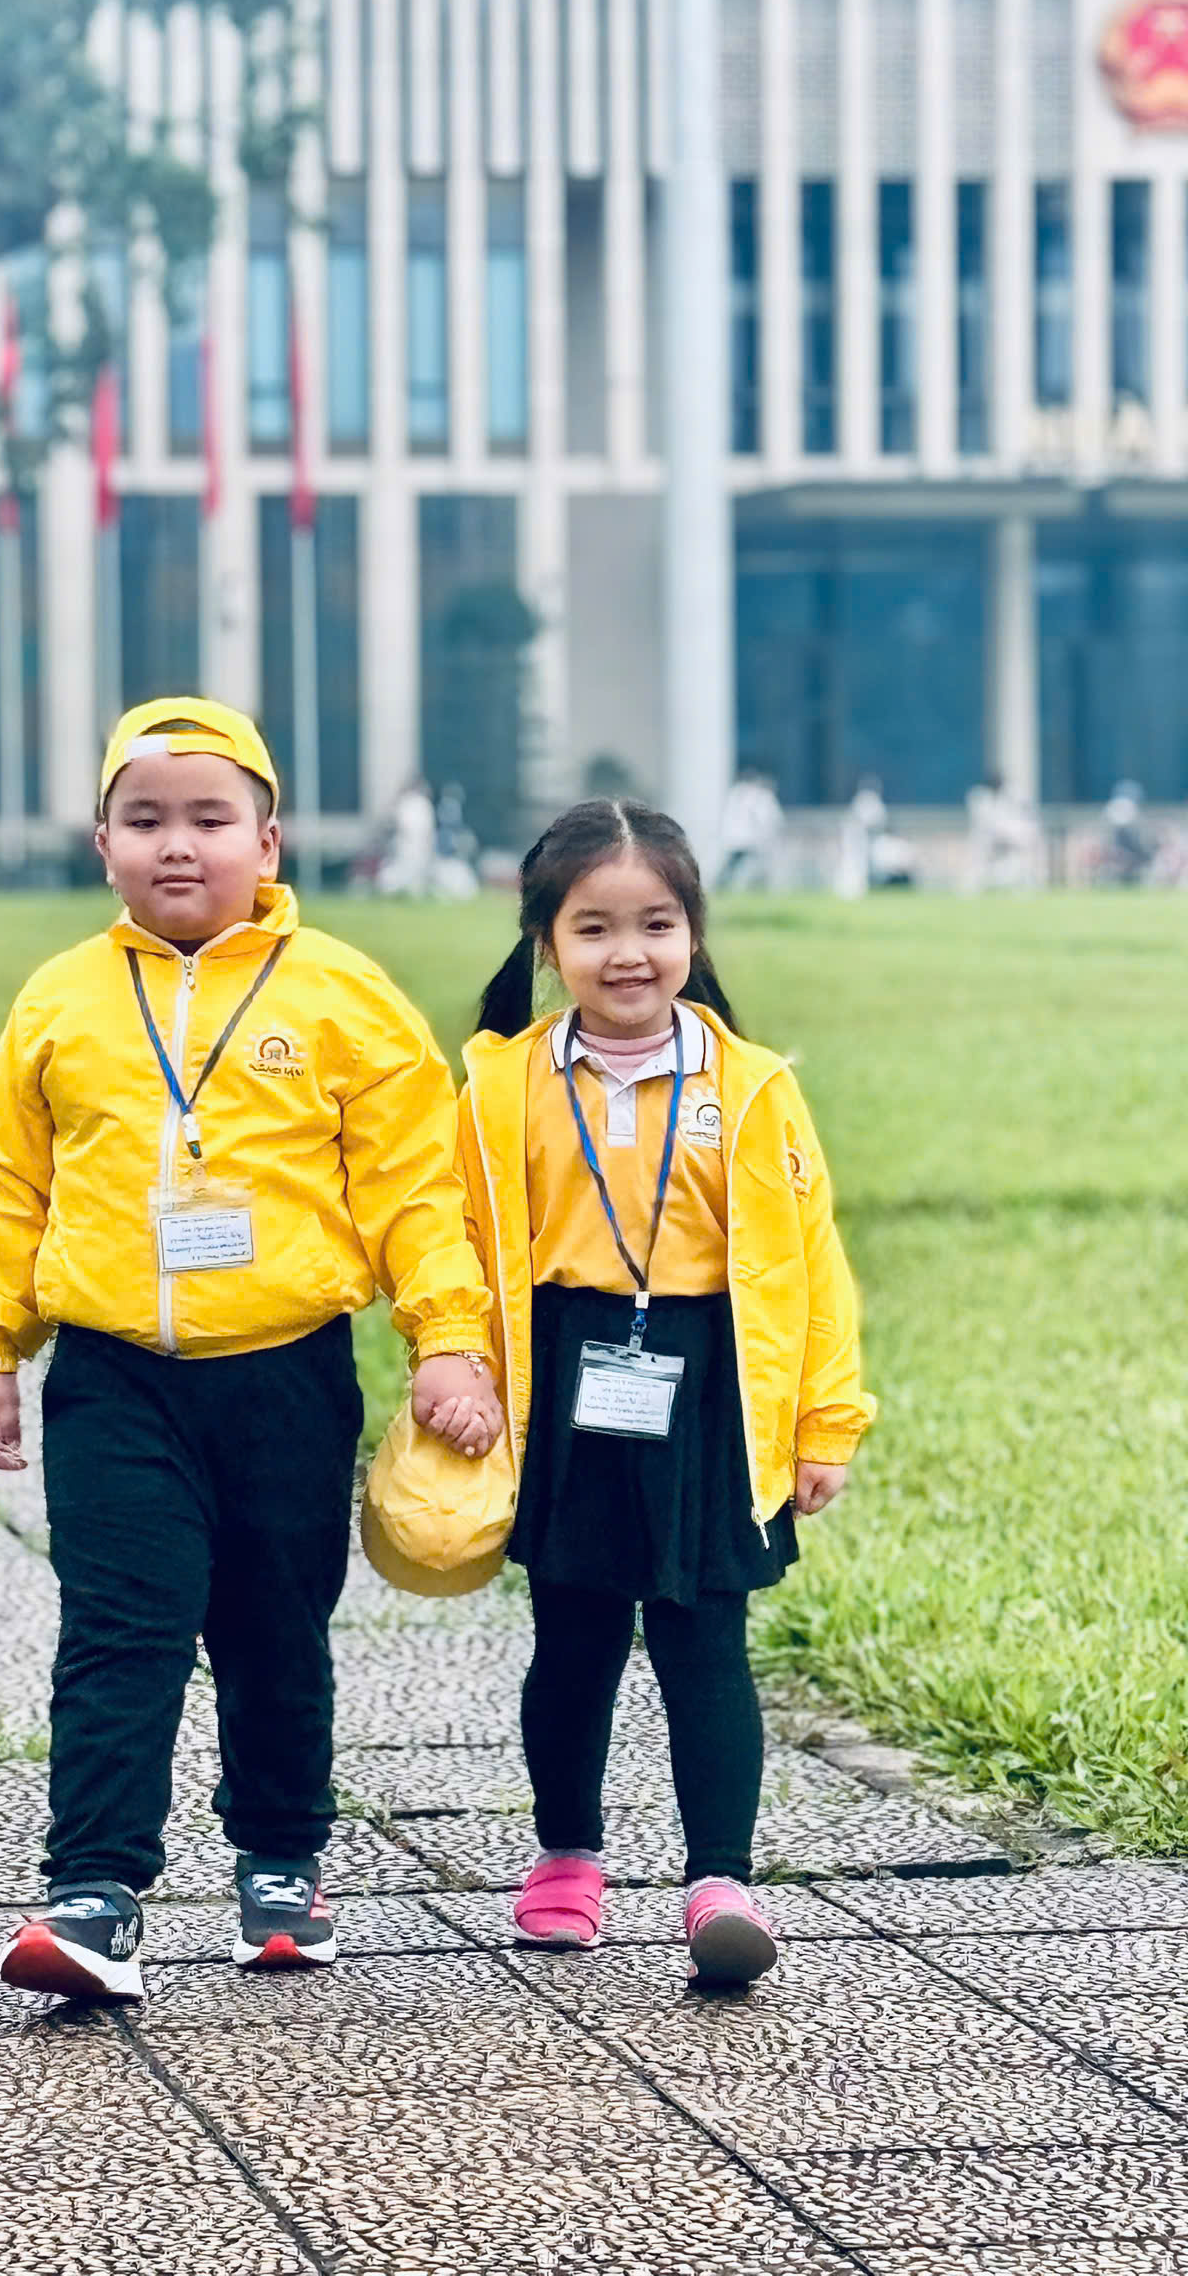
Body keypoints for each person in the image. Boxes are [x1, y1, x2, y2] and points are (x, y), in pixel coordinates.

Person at [0, 696, 499, 1999]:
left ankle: (282, 1865)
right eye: (145, 820)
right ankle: (93, 1895)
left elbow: (415, 1190)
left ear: (269, 841)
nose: (177, 845)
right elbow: (5, 1183)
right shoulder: (61, 1001)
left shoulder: (342, 996)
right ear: (103, 845)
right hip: (113, 1378)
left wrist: (448, 1339)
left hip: (284, 1375)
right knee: (117, 1630)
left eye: (209, 818)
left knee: (274, 1631)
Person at [447, 799, 875, 1988]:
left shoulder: (752, 1086)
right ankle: (566, 1860)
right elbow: (461, 1244)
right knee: (573, 1636)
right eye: (594, 928)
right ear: (547, 943)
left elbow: (811, 1261)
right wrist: (460, 1361)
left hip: (714, 1382)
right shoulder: (504, 1085)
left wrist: (825, 1420)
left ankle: (720, 1884)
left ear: (694, 932)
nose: (628, 953)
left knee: (705, 1638)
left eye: (657, 924)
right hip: (568, 1371)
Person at [716, 769, 782, 891]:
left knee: (737, 863)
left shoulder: (735, 793)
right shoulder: (754, 796)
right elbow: (762, 818)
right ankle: (725, 883)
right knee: (748, 863)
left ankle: (725, 883)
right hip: (747, 838)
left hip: (738, 837)